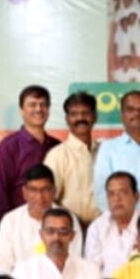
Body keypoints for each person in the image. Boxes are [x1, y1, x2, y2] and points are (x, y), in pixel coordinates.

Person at [0, 85, 57, 227]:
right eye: (32, 105)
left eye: (43, 104)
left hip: (54, 226)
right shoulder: (9, 147)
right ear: (21, 110)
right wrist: (8, 226)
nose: (38, 109)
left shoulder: (57, 146)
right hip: (19, 227)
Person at [91, 89, 140, 214]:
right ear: (122, 114)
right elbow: (101, 189)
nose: (136, 114)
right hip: (119, 220)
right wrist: (116, 218)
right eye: (130, 109)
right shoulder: (108, 148)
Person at [0, 164, 82, 275]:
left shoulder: (68, 219)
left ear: (54, 191)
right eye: (33, 190)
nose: (40, 197)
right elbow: (2, 266)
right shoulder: (10, 221)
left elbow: (73, 262)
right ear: (24, 192)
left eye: (45, 190)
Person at [51, 91, 101, 225]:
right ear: (67, 119)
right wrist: (73, 224)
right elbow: (49, 199)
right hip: (70, 230)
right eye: (74, 114)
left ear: (95, 117)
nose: (80, 118)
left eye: (86, 113)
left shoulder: (105, 152)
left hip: (104, 229)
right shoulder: (57, 155)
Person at [84, 171, 140, 276]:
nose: (117, 199)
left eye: (123, 192)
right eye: (111, 194)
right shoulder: (96, 228)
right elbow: (92, 271)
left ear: (136, 197)